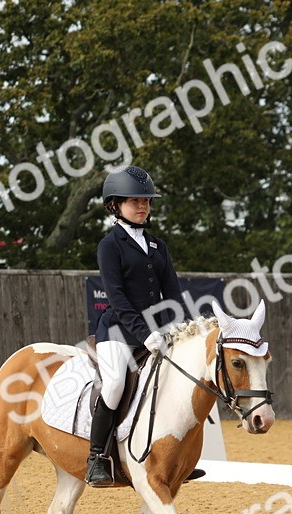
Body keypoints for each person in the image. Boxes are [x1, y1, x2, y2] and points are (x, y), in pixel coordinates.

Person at [86, 166, 188, 487]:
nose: (142, 206)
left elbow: (172, 294)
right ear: (115, 205)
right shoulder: (109, 245)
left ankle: (176, 458)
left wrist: (177, 329)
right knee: (116, 385)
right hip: (118, 332)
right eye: (134, 201)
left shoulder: (158, 246)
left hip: (155, 333)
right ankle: (97, 458)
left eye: (146, 201)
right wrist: (146, 335)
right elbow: (116, 298)